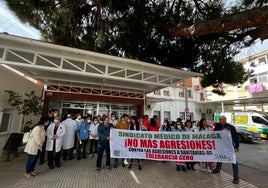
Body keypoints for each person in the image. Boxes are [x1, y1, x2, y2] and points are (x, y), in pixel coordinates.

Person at [212, 115, 240, 184]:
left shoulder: (231, 127)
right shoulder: (217, 126)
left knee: (233, 160)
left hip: (229, 147)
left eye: (223, 119)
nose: (222, 121)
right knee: (219, 157)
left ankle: (236, 177)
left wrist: (236, 146)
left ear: (225, 120)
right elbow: (215, 134)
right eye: (220, 119)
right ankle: (218, 169)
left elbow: (235, 137)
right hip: (220, 146)